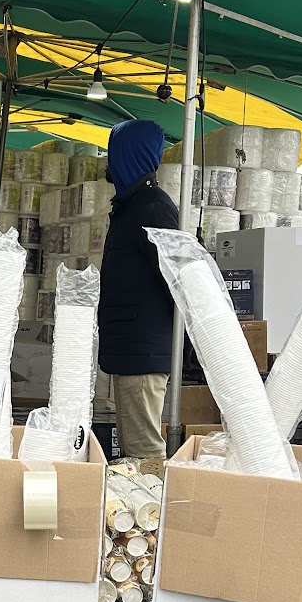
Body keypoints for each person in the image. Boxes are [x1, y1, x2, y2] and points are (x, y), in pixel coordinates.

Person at [97, 119, 179, 460]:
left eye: (112, 152)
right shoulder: (132, 207)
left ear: (128, 154)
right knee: (134, 445)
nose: (108, 162)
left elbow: (175, 278)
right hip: (131, 349)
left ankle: (154, 510)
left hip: (142, 351)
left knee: (143, 448)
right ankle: (143, 505)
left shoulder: (152, 208)